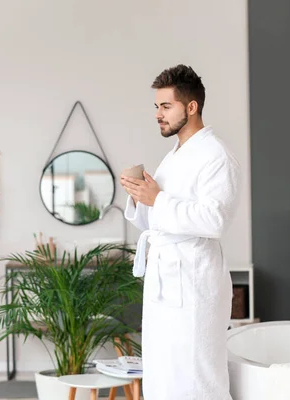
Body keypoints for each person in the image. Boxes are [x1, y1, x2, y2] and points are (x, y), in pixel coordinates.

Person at [120, 64, 240, 400]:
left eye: (166, 106)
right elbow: (156, 221)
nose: (158, 114)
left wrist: (157, 198)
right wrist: (141, 197)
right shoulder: (173, 157)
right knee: (163, 374)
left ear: (192, 106)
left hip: (195, 284)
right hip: (165, 283)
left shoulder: (216, 155)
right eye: (156, 107)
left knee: (196, 376)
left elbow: (215, 220)